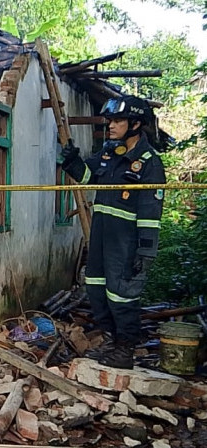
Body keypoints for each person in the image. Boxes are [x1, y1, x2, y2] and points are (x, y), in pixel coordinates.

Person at [59, 95, 165, 369]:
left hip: (126, 242)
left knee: (123, 295)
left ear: (136, 124)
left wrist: (145, 250)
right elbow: (87, 177)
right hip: (102, 237)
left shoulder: (149, 163)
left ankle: (125, 349)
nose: (111, 125)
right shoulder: (109, 154)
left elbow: (151, 214)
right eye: (110, 120)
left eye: (117, 120)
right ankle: (111, 342)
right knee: (95, 289)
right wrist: (72, 162)